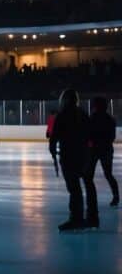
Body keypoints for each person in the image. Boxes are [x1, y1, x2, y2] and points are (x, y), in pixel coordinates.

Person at [51, 89, 98, 231]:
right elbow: (91, 135)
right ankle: (92, 218)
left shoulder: (62, 115)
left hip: (68, 156)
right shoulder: (83, 114)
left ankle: (76, 218)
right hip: (83, 156)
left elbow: (54, 138)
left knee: (74, 188)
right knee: (87, 185)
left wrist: (53, 152)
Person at [89, 97, 118, 207]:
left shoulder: (93, 118)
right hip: (106, 149)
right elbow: (112, 137)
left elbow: (88, 134)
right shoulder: (109, 119)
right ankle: (116, 196)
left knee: (89, 175)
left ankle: (91, 198)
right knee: (108, 174)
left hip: (95, 150)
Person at [46, 108, 59, 177]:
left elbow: (49, 127)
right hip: (56, 135)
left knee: (52, 149)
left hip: (53, 135)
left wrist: (48, 132)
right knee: (52, 149)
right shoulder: (57, 118)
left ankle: (55, 155)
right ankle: (56, 153)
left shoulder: (51, 118)